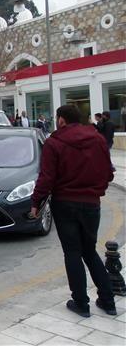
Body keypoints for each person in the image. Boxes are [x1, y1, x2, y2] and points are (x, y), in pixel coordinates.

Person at [30, 105, 116, 318]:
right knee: (89, 250)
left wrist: (36, 202)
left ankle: (81, 303)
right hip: (92, 203)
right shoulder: (97, 139)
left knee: (72, 252)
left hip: (65, 203)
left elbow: (47, 177)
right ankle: (108, 301)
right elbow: (109, 173)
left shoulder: (54, 142)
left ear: (61, 120)